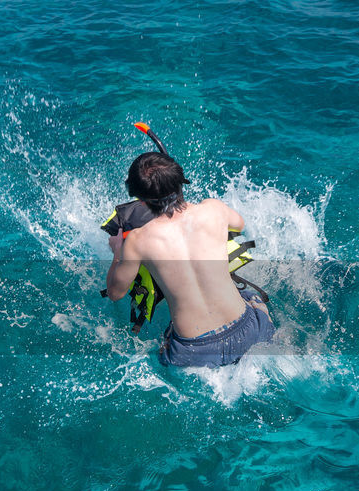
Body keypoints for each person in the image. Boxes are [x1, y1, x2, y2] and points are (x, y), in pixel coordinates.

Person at [104, 152, 274, 368]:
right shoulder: (213, 209)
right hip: (246, 330)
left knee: (163, 349)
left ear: (141, 199)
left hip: (194, 350)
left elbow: (115, 294)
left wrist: (118, 251)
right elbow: (238, 225)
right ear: (180, 181)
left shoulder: (138, 241)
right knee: (249, 297)